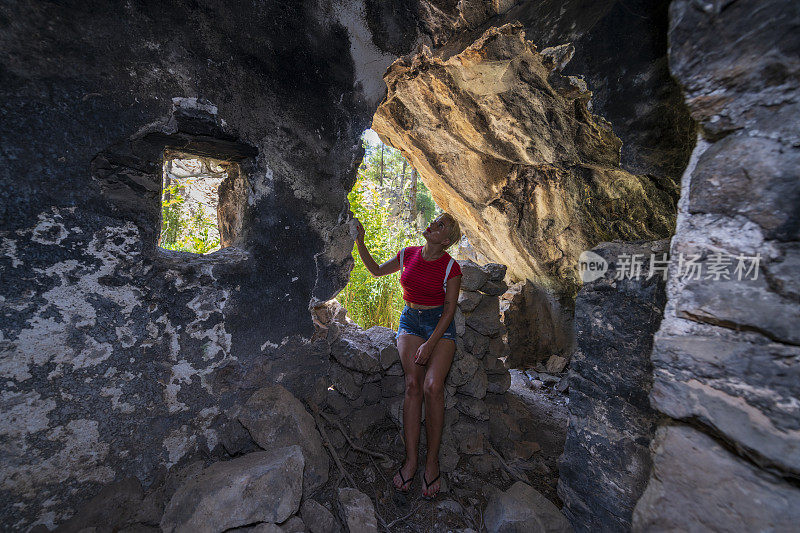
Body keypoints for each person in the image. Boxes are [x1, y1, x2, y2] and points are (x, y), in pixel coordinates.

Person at [353, 213, 462, 500]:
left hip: (439, 325)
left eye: (441, 225)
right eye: (435, 221)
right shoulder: (408, 254)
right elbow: (376, 270)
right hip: (411, 322)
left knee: (432, 387)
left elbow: (450, 311)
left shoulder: (451, 267)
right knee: (413, 385)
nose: (433, 225)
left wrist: (430, 344)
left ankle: (432, 461)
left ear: (447, 240)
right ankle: (411, 460)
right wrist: (359, 241)